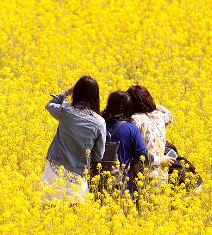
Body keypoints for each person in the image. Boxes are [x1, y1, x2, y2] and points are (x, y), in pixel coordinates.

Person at [42, 75, 106, 203]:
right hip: (78, 174)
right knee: (74, 213)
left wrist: (66, 92)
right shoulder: (100, 122)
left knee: (48, 209)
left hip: (54, 168)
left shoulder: (66, 111)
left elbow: (50, 105)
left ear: (77, 93)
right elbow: (98, 156)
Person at [100, 91, 173, 197]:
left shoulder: (99, 123)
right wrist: (160, 160)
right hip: (121, 183)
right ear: (129, 107)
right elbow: (142, 154)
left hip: (98, 180)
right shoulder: (131, 128)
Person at [126, 85, 173, 185]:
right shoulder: (160, 116)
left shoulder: (135, 119)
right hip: (161, 171)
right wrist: (152, 105)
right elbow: (169, 114)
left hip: (142, 174)